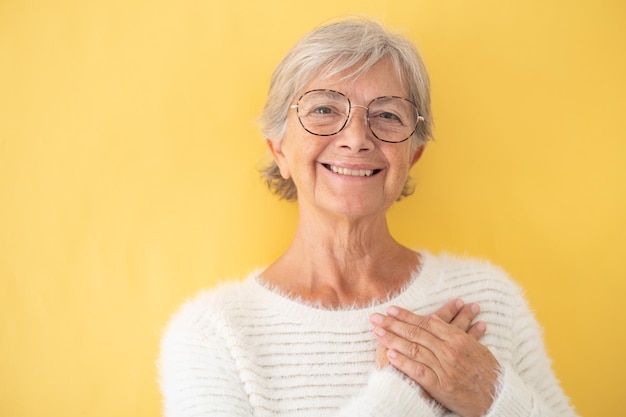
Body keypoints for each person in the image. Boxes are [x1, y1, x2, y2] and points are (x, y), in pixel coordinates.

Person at [158, 18, 578, 417]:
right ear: (279, 149)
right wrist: (400, 393)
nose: (357, 138)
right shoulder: (213, 335)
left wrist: (492, 394)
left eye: (387, 115)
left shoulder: (488, 299)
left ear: (412, 155)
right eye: (323, 109)